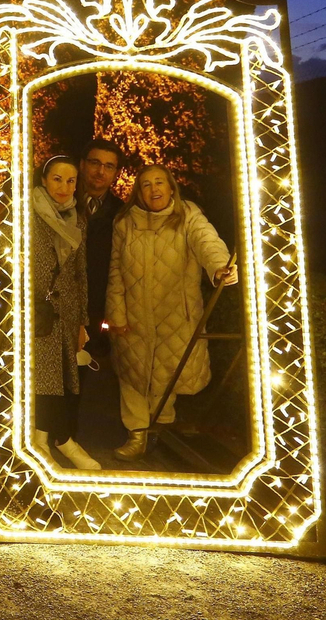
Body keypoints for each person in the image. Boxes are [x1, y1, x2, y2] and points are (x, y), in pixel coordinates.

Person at [105, 163, 237, 461]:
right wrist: (117, 314)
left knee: (166, 376)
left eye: (159, 183)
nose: (154, 189)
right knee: (134, 377)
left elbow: (207, 241)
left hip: (175, 314)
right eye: (147, 184)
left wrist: (219, 267)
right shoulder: (125, 222)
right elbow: (115, 271)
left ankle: (159, 429)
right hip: (134, 315)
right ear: (138, 191)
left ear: (171, 187)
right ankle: (137, 434)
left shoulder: (188, 215)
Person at [30, 155, 102, 471]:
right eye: (57, 179)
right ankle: (49, 442)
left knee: (64, 378)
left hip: (67, 309)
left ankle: (52, 438)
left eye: (71, 180)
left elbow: (80, 272)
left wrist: (83, 321)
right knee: (42, 379)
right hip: (38, 308)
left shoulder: (78, 219)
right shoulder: (28, 214)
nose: (63, 186)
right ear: (44, 179)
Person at [78, 139, 124, 350]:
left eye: (109, 166)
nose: (100, 171)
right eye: (95, 163)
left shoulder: (123, 213)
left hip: (100, 309)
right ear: (82, 165)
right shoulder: (61, 203)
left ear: (116, 172)